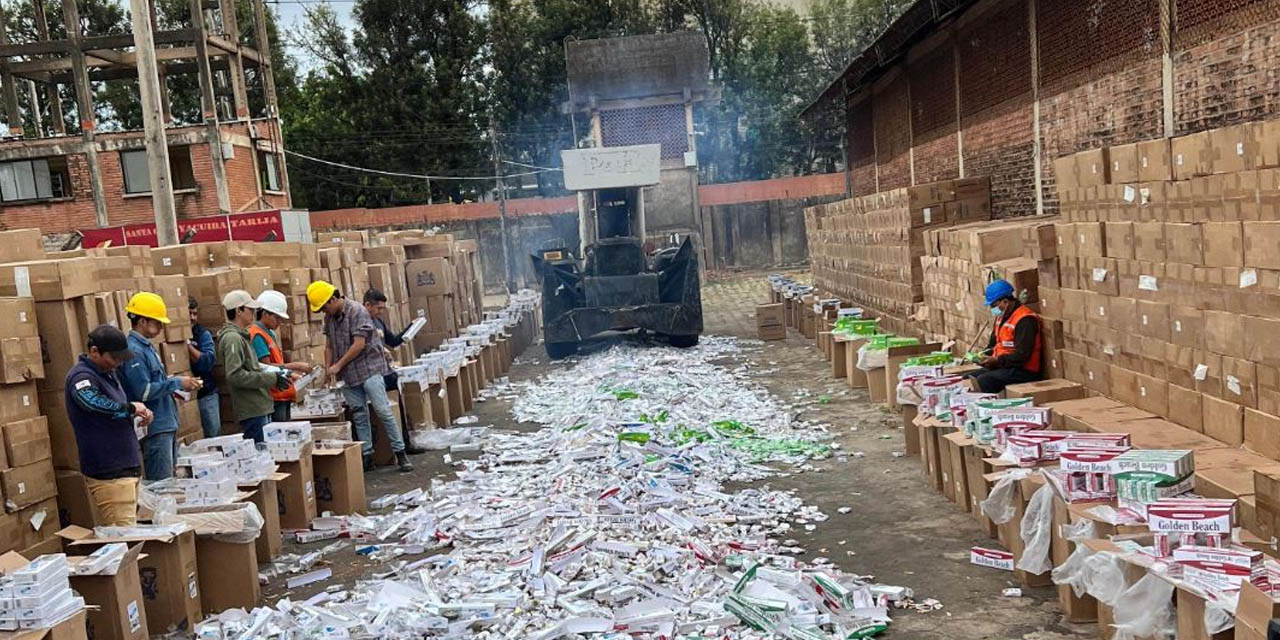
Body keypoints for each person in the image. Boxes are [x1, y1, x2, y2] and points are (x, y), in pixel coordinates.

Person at [309, 280, 413, 472]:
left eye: (324, 308)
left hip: (368, 369)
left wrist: (338, 365)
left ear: (332, 300)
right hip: (348, 374)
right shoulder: (330, 319)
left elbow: (359, 345)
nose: (324, 312)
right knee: (359, 413)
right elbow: (329, 346)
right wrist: (328, 368)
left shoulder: (357, 311)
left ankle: (401, 453)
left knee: (383, 411)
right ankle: (367, 455)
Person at [66, 325, 154, 526]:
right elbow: (91, 402)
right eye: (113, 358)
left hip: (127, 466)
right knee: (124, 538)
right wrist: (130, 408)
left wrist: (139, 416)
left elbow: (117, 412)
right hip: (109, 470)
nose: (117, 363)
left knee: (134, 533)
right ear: (94, 351)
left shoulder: (108, 374)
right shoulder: (82, 377)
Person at [119, 292, 200, 481]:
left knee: (169, 483)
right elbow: (144, 391)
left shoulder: (146, 347)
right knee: (162, 486)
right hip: (156, 428)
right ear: (142, 321)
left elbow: (155, 383)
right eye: (157, 322)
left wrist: (176, 386)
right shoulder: (134, 351)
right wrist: (176, 383)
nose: (161, 326)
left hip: (165, 423)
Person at [217, 290, 293, 443]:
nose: (254, 313)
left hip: (259, 406)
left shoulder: (241, 336)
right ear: (239, 311)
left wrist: (277, 373)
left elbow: (253, 367)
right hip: (251, 409)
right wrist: (271, 378)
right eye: (250, 309)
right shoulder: (233, 338)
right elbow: (235, 375)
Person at [363, 288, 426, 456]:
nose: (381, 312)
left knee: (397, 407)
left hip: (386, 373)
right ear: (367, 305)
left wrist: (411, 327)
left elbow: (394, 341)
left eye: (383, 308)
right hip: (369, 375)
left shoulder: (379, 322)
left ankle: (406, 443)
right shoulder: (359, 322)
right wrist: (379, 348)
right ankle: (385, 451)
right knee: (381, 413)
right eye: (378, 308)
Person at [967, 279, 1043, 394]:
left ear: (1005, 301)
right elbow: (994, 345)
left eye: (994, 305)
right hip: (1004, 365)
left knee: (985, 380)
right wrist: (983, 356)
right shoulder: (1000, 317)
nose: (993, 309)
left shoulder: (1025, 320)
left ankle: (989, 407)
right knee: (969, 377)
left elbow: (1022, 356)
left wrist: (997, 361)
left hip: (1023, 370)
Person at [249, 290, 313, 422]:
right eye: (277, 318)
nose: (279, 322)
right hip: (274, 395)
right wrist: (295, 367)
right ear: (265, 314)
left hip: (282, 392)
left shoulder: (268, 333)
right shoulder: (257, 335)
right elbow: (266, 366)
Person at [187, 297, 220, 438]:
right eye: (189, 314)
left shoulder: (202, 334)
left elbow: (207, 362)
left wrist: (188, 346)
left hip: (205, 394)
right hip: (185, 398)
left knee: (213, 437)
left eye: (195, 314)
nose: (193, 318)